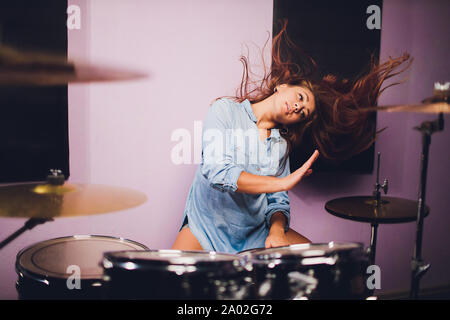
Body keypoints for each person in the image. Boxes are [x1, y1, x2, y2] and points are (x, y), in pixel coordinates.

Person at [172, 21, 411, 254]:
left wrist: (276, 230)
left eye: (303, 112)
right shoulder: (224, 110)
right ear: (283, 86)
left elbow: (278, 203)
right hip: (204, 228)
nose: (297, 107)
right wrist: (282, 183)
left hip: (254, 233)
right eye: (300, 97)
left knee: (320, 264)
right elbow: (217, 172)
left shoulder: (280, 146)